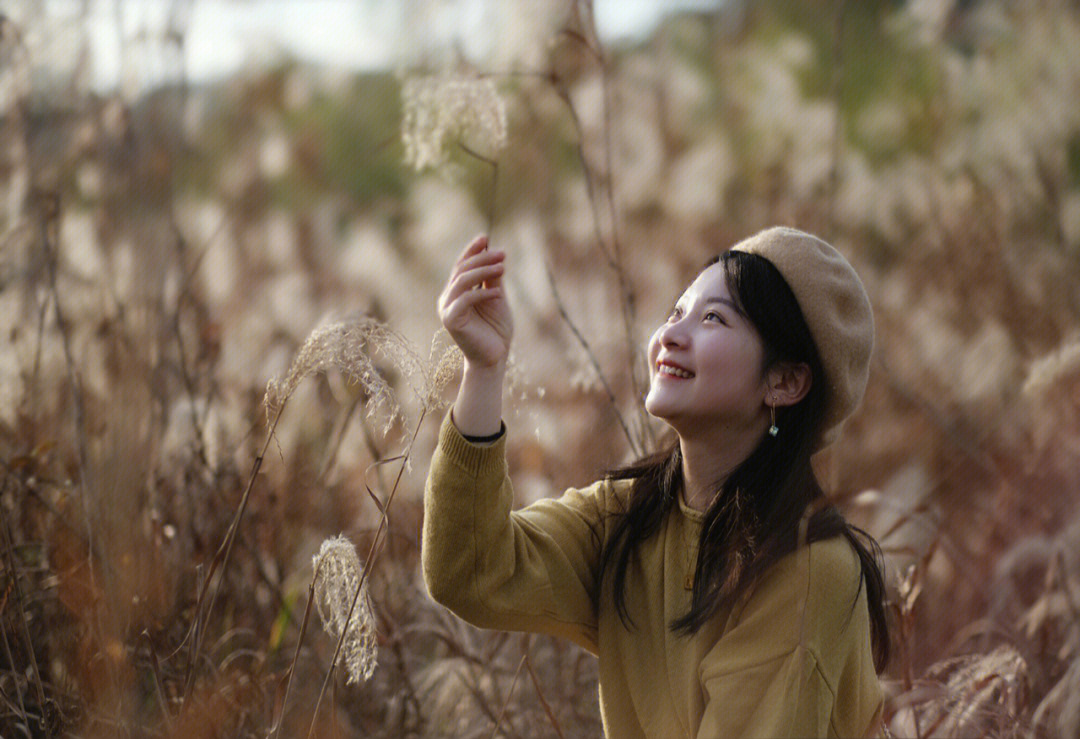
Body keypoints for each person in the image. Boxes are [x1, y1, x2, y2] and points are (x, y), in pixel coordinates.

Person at [423, 227, 890, 738]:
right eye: (676, 311)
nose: (671, 334)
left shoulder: (808, 569)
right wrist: (484, 369)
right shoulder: (629, 519)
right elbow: (470, 572)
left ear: (784, 382)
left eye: (713, 318)